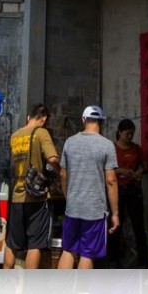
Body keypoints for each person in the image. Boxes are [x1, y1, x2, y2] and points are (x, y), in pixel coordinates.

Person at [58, 105, 119, 270]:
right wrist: (115, 213)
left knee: (68, 250)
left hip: (72, 208)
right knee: (87, 253)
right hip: (94, 211)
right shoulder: (107, 145)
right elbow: (111, 181)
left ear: (83, 120)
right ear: (101, 122)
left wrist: (68, 197)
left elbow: (63, 174)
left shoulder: (70, 142)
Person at [4, 103, 59, 270]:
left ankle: (5, 279)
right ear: (44, 119)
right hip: (37, 197)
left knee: (13, 242)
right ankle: (28, 289)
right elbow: (53, 159)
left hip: (17, 195)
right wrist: (60, 173)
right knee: (35, 244)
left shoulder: (14, 136)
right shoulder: (41, 133)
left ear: (29, 117)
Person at [110, 118, 148, 267]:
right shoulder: (112, 149)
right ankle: (114, 260)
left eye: (132, 134)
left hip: (133, 190)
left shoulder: (136, 149)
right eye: (127, 134)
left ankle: (144, 261)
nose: (129, 137)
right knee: (115, 225)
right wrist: (121, 171)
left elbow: (146, 167)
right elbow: (106, 170)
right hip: (117, 190)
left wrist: (139, 172)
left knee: (139, 226)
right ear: (119, 133)